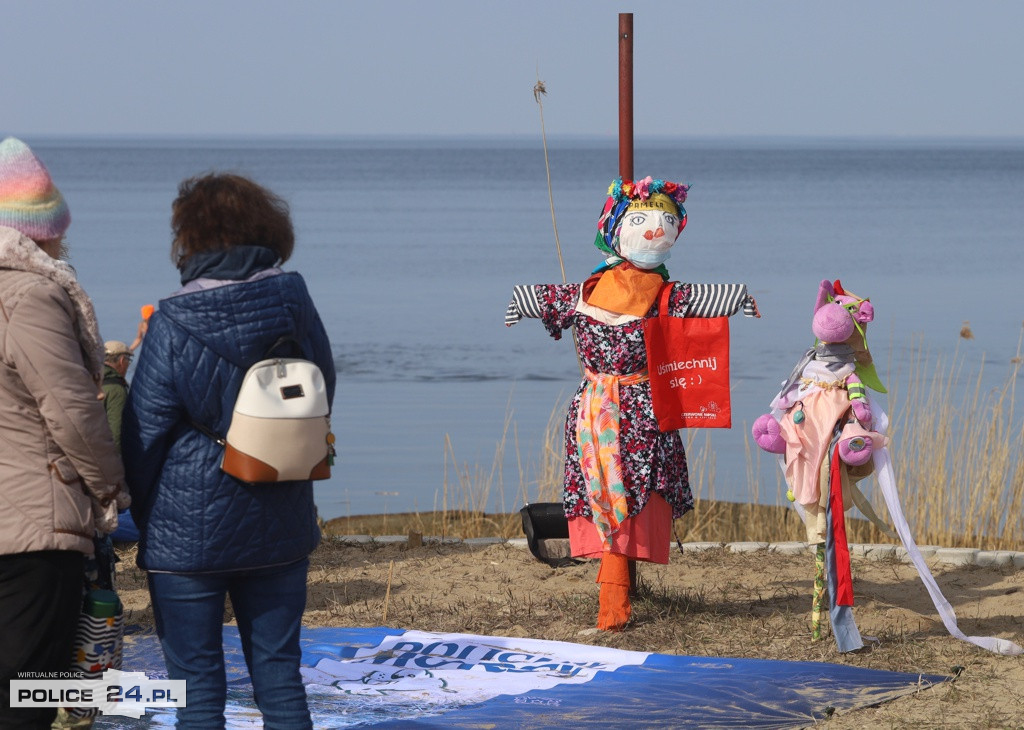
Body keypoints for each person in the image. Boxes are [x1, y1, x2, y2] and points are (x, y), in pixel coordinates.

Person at [122, 172, 335, 728]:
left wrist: (143, 517)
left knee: (195, 689)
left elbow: (143, 435)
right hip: (280, 514)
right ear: (268, 227)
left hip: (185, 532)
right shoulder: (294, 297)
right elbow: (321, 390)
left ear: (189, 238)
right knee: (281, 677)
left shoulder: (171, 319)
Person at [506, 176, 758, 631]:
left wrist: (519, 303)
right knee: (621, 498)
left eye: (666, 222)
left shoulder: (594, 294)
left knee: (617, 499)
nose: (656, 231)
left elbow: (539, 297)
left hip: (602, 411)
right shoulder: (636, 295)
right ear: (618, 228)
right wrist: (740, 297)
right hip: (628, 412)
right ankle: (613, 608)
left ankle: (614, 606)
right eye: (643, 220)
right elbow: (707, 298)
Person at [0, 137, 128, 729]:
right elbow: (73, 410)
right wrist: (110, 489)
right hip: (32, 524)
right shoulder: (29, 296)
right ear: (42, 231)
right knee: (30, 689)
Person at [101, 340, 140, 542]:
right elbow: (117, 433)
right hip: (110, 467)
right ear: (122, 361)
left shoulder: (92, 380)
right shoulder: (116, 390)